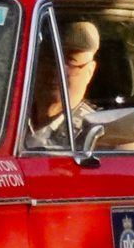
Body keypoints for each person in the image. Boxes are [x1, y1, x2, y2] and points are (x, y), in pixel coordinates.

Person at [25, 18, 102, 150]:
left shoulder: (99, 133)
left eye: (70, 61)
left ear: (90, 71)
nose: (57, 69)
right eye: (49, 57)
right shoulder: (5, 119)